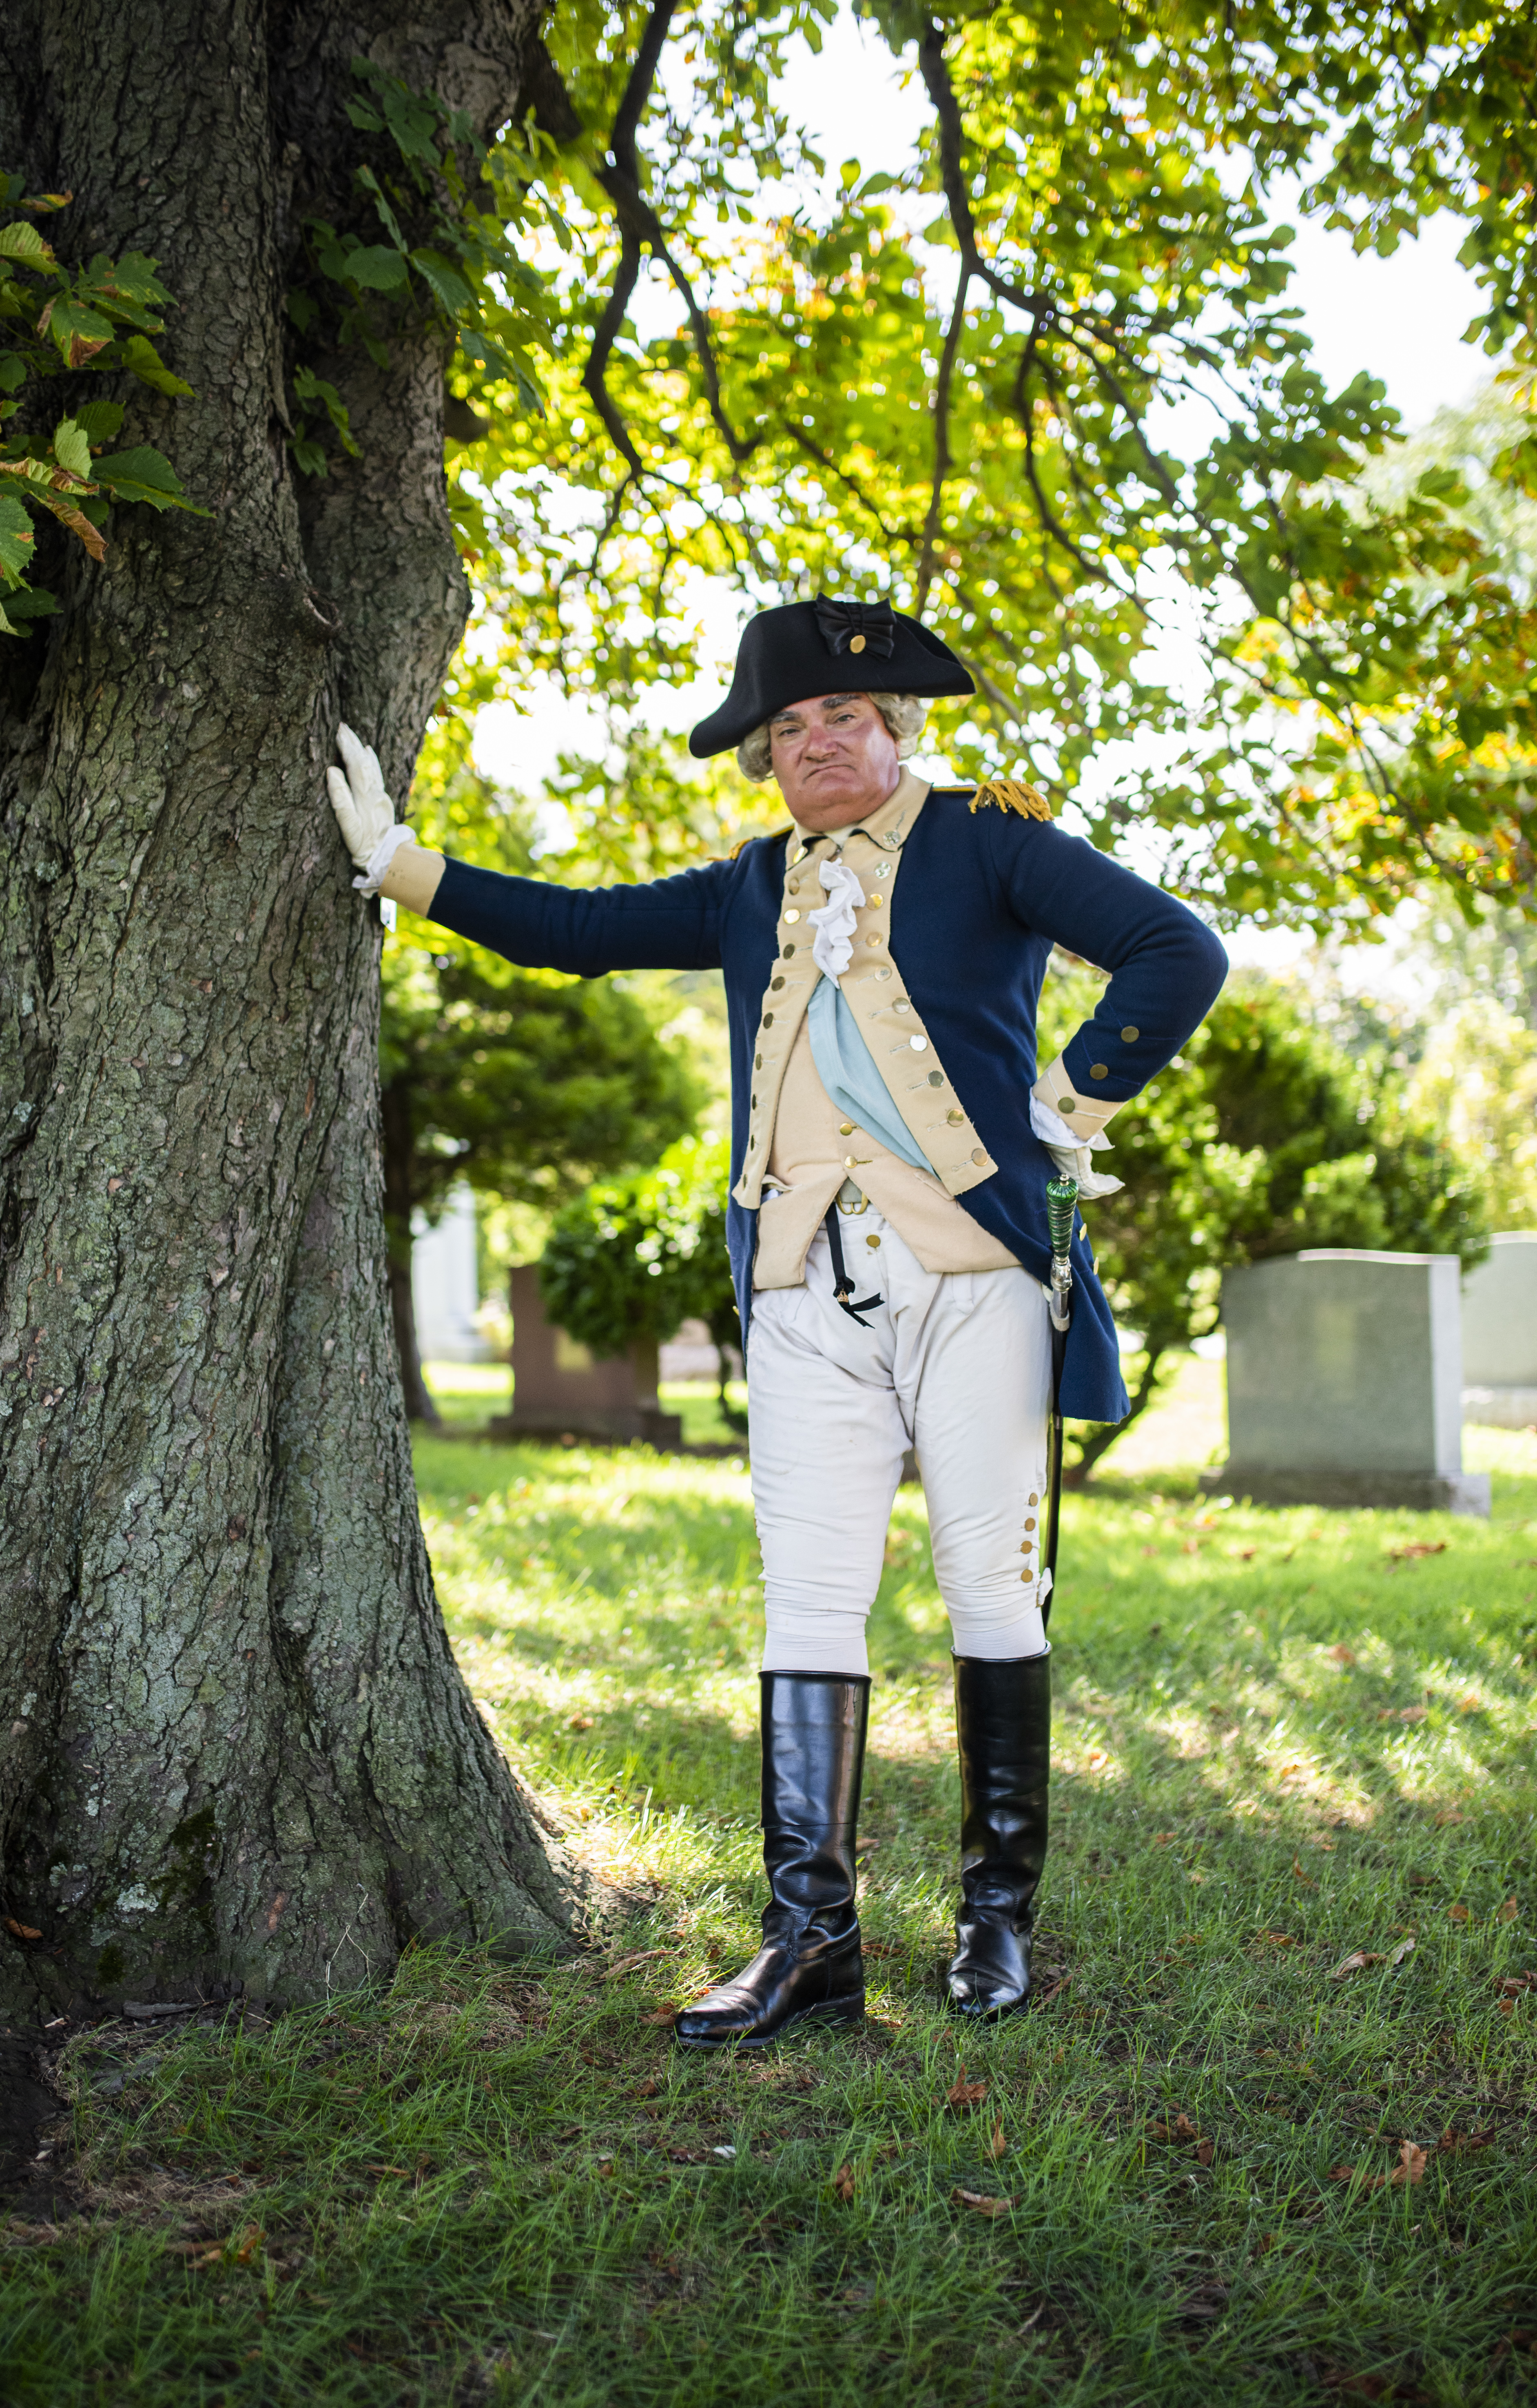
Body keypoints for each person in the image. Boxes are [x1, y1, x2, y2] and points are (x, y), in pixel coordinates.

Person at [328, 596, 1227, 2048]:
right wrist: (399, 868)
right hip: (804, 1284)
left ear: (897, 732)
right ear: (764, 761)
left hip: (975, 1280)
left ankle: (994, 1914)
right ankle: (811, 1944)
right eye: (790, 728)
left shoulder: (990, 841)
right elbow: (576, 933)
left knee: (991, 1593)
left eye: (846, 720)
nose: (817, 744)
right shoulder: (750, 886)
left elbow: (1173, 950)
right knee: (806, 1599)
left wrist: (1078, 1096)